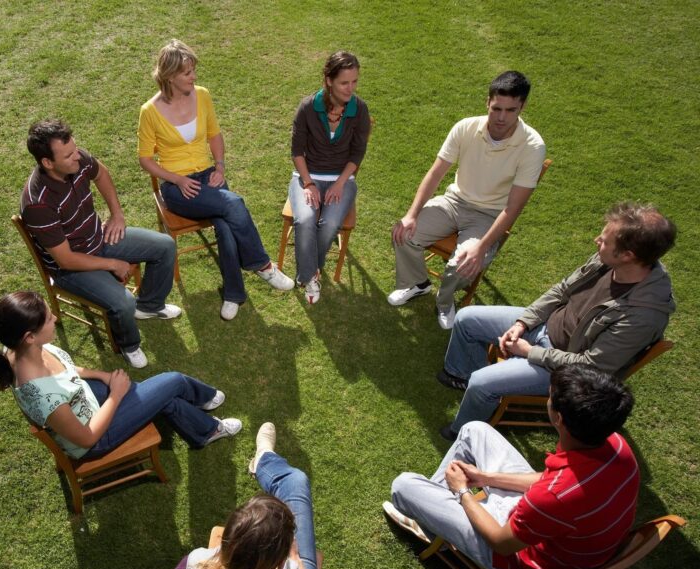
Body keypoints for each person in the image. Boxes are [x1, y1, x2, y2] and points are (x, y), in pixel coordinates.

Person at [386, 365, 638, 569]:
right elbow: (546, 479)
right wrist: (486, 477)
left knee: (403, 485)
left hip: (517, 561)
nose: (548, 400)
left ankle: (432, 523)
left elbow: (501, 543)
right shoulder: (615, 446)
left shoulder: (553, 496)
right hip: (545, 526)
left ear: (558, 418)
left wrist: (462, 491)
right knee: (474, 430)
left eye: (550, 397)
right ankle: (435, 519)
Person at [436, 201, 676, 440]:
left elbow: (590, 366)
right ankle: (459, 375)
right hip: (545, 327)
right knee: (467, 318)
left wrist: (529, 352)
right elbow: (562, 290)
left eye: (604, 241)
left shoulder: (642, 316)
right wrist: (523, 323)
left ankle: (465, 431)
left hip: (567, 370)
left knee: (482, 382)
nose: (596, 241)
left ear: (627, 255)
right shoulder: (609, 261)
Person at [0, 291, 241, 459]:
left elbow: (68, 371)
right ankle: (205, 402)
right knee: (173, 381)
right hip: (95, 438)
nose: (56, 318)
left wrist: (100, 375)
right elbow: (87, 437)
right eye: (49, 319)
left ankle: (204, 431)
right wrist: (115, 396)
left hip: (84, 400)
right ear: (29, 336)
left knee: (164, 397)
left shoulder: (16, 348)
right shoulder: (44, 397)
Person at [138, 39, 294, 321]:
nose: (194, 76)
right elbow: (145, 160)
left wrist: (220, 167)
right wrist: (178, 180)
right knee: (234, 204)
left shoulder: (203, 95)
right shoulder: (149, 111)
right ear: (170, 76)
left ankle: (234, 294)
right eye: (187, 72)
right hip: (178, 187)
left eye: (193, 70)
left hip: (208, 175)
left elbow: (214, 135)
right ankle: (262, 265)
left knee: (225, 223)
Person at [389, 71, 546, 329]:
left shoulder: (533, 146)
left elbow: (513, 208)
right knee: (403, 234)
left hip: (490, 215)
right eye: (496, 108)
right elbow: (436, 173)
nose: (501, 118)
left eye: (510, 110)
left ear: (523, 107)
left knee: (463, 264)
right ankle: (419, 284)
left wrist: (481, 247)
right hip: (454, 201)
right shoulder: (465, 127)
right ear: (488, 102)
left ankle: (445, 301)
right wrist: (411, 214)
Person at [21, 119, 179, 369]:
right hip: (71, 268)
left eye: (75, 149)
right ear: (47, 163)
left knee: (165, 245)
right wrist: (114, 264)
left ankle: (149, 306)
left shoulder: (77, 160)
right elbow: (66, 259)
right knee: (123, 301)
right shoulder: (38, 204)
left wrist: (117, 214)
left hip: (98, 238)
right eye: (69, 155)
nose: (78, 157)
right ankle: (129, 345)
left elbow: (101, 173)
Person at [170, 423, 332, 569]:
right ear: (280, 561)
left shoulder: (195, 565)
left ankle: (264, 459)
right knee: (296, 482)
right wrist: (298, 565)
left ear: (226, 541)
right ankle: (265, 460)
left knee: (295, 483)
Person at [289, 50, 372, 304]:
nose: (351, 88)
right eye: (344, 82)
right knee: (304, 220)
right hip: (306, 175)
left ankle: (311, 268)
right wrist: (309, 183)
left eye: (355, 81)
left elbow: (357, 153)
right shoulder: (307, 107)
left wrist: (338, 183)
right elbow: (296, 152)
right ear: (328, 80)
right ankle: (310, 275)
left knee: (328, 225)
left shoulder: (359, 110)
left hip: (342, 179)